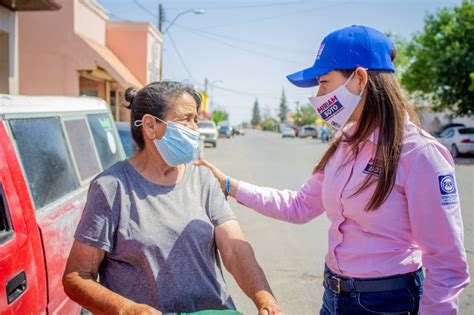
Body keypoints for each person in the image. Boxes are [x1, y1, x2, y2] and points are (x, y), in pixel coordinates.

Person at [195, 25, 470, 314]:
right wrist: (228, 185)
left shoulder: (419, 153)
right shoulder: (344, 142)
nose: (318, 94)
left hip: (390, 302)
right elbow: (299, 206)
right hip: (334, 298)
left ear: (360, 78)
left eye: (324, 82)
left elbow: (447, 265)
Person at [63, 81, 282, 315]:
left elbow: (235, 251)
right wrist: (127, 309)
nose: (195, 129)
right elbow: (77, 276)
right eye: (185, 119)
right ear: (150, 126)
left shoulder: (203, 180)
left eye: (195, 120)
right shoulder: (111, 188)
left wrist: (265, 298)